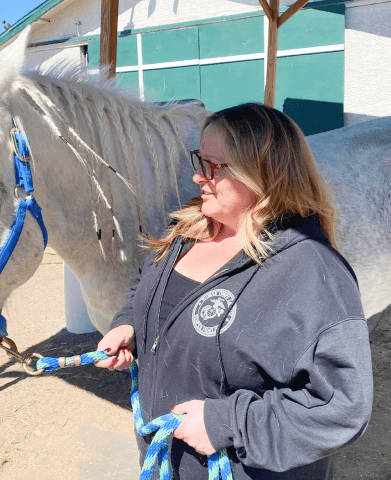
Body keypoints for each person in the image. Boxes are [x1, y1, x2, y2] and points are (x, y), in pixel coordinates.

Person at [95, 103, 373, 480]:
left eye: (214, 166)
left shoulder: (312, 271)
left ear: (264, 172)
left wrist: (227, 422)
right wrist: (129, 325)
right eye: (199, 159)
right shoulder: (189, 230)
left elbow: (343, 405)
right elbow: (147, 287)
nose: (197, 177)